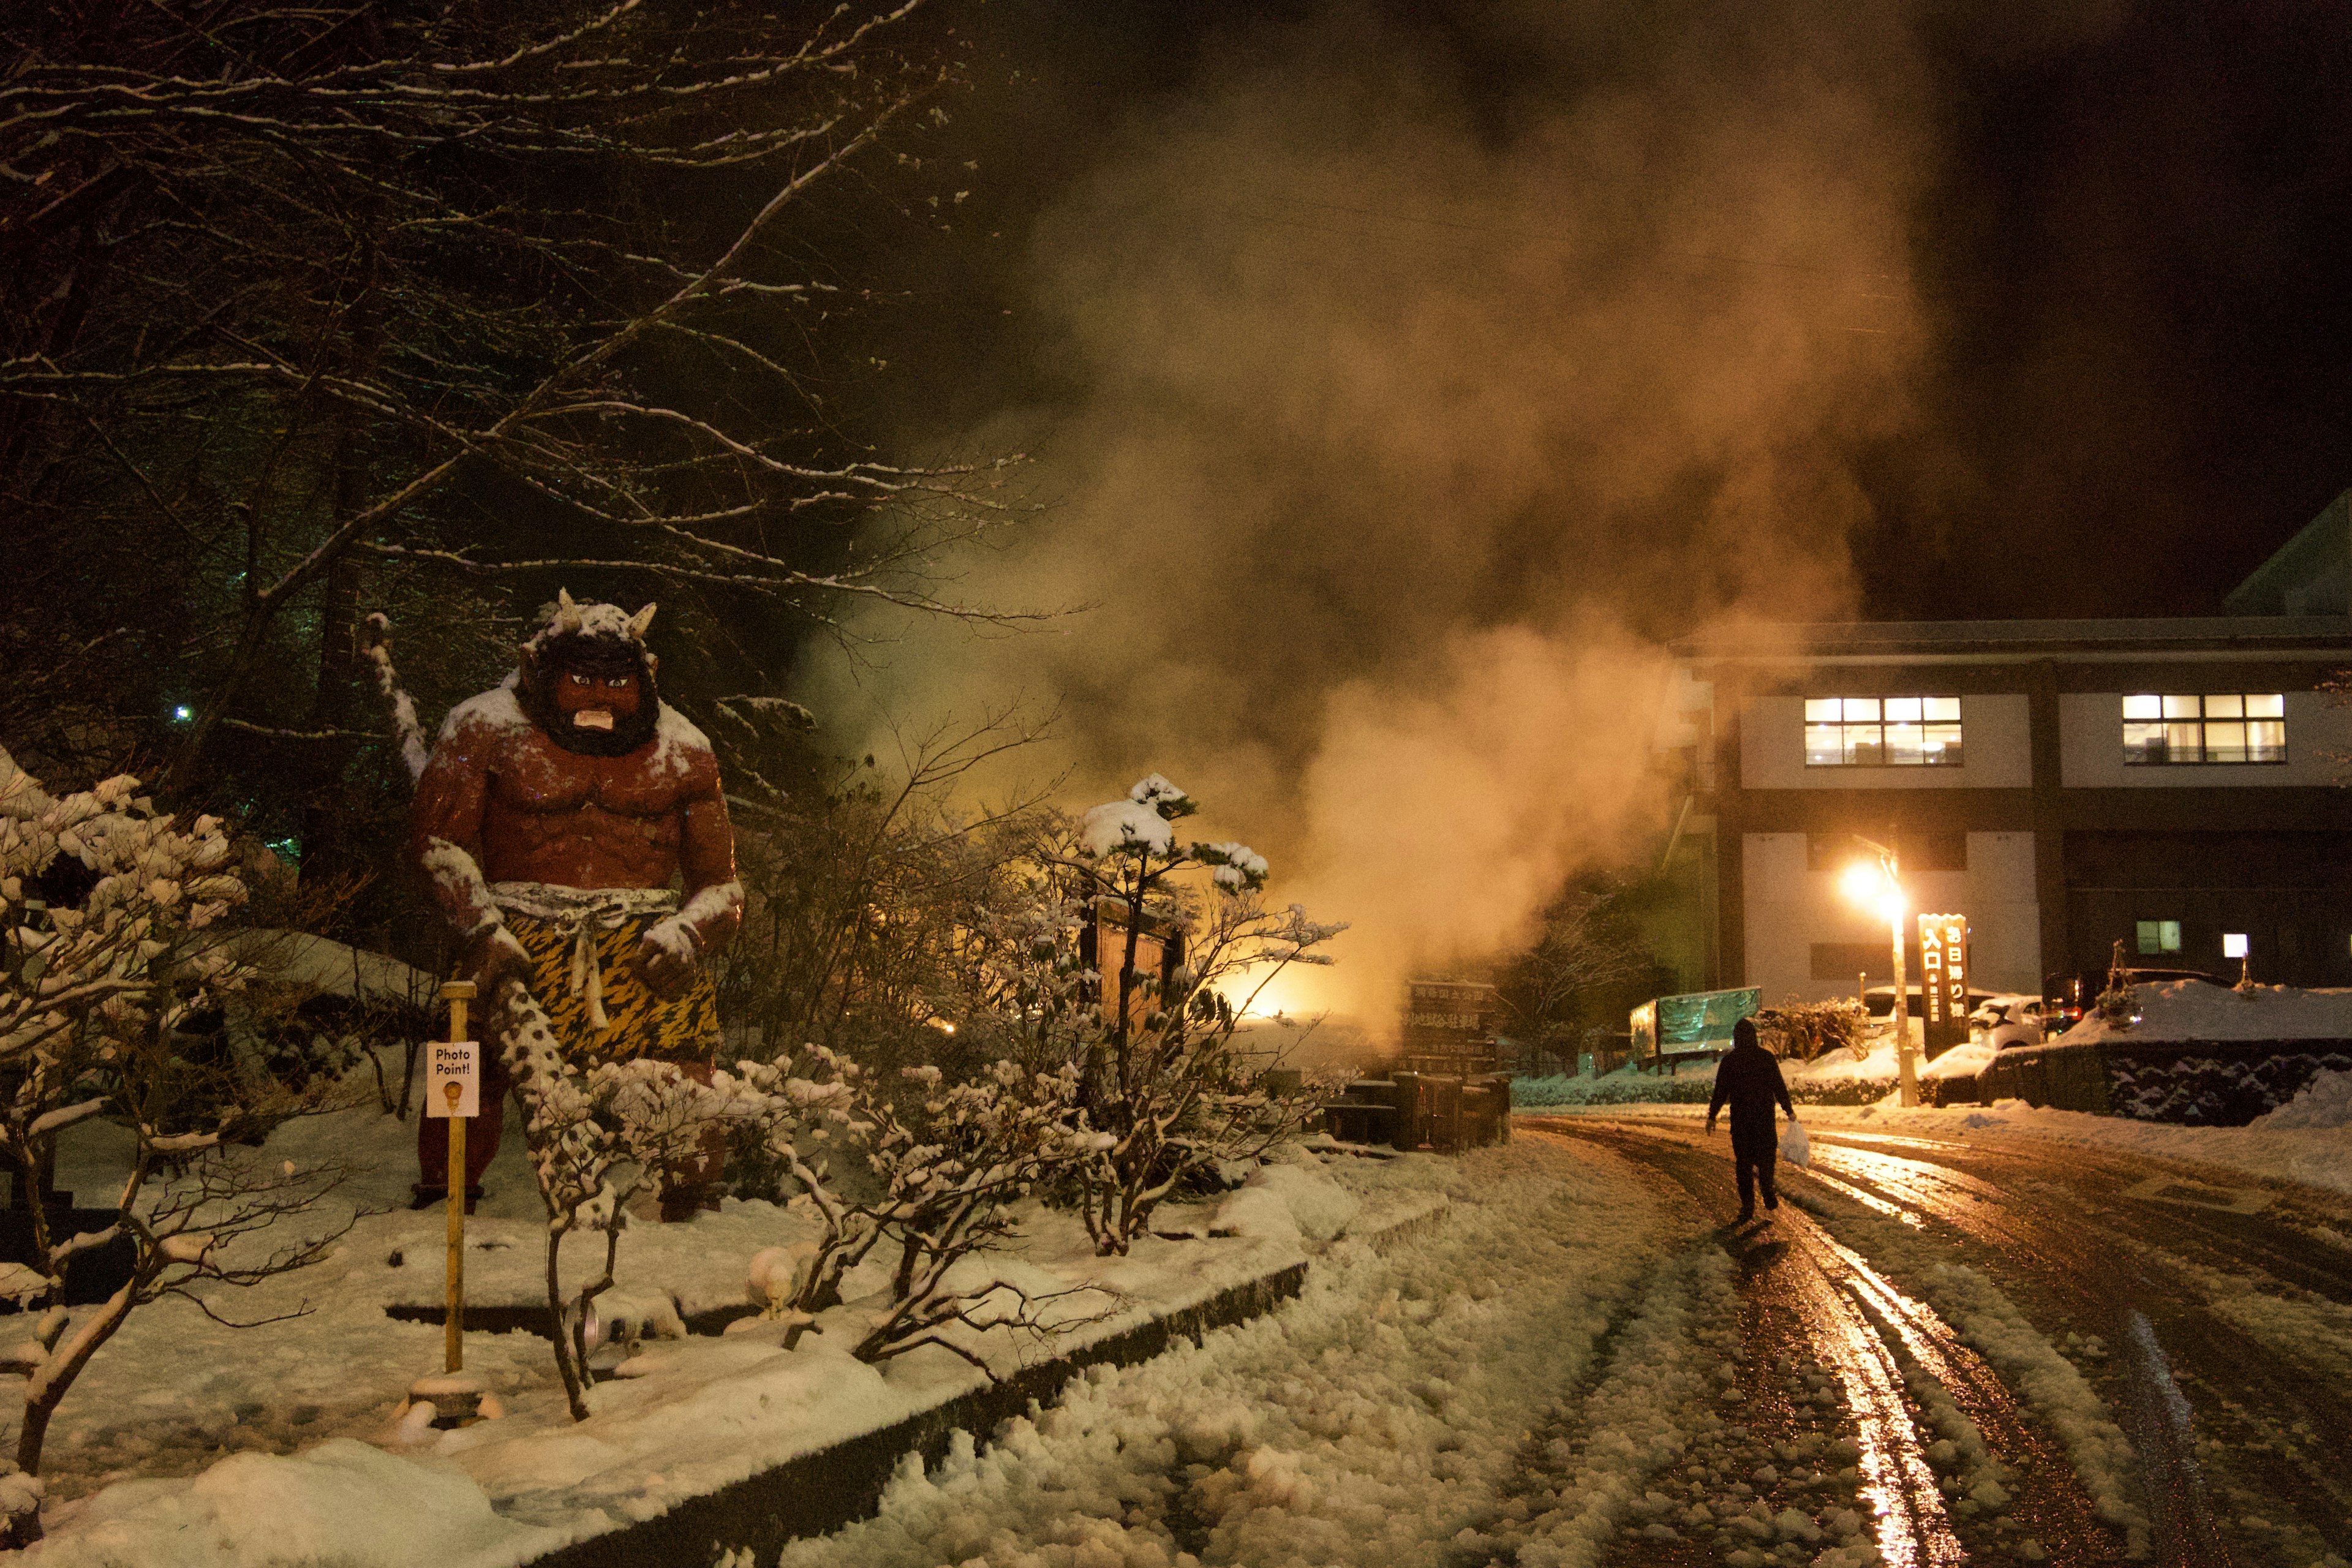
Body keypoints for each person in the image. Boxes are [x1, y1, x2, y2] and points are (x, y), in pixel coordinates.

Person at [409, 591, 744, 1218]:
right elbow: (438, 844)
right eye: (583, 680)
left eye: (617, 682)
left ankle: (692, 1212)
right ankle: (443, 1197)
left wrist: (690, 935)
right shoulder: (483, 728)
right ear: (543, 671)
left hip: (645, 943)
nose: (599, 697)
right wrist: (481, 927)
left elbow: (723, 885)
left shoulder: (685, 750)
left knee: (687, 1074)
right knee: (464, 1055)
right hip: (510, 933)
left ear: (642, 678)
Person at [1706, 1016, 1797, 1222]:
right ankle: (1767, 1189)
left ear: (1736, 1039)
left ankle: (1748, 1207)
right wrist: (1788, 1109)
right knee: (1767, 1159)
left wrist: (1712, 1116)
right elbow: (1778, 1086)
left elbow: (1720, 1092)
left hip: (1741, 1124)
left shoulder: (1730, 1062)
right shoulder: (1766, 1059)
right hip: (1764, 1120)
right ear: (1754, 1037)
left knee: (1744, 1165)